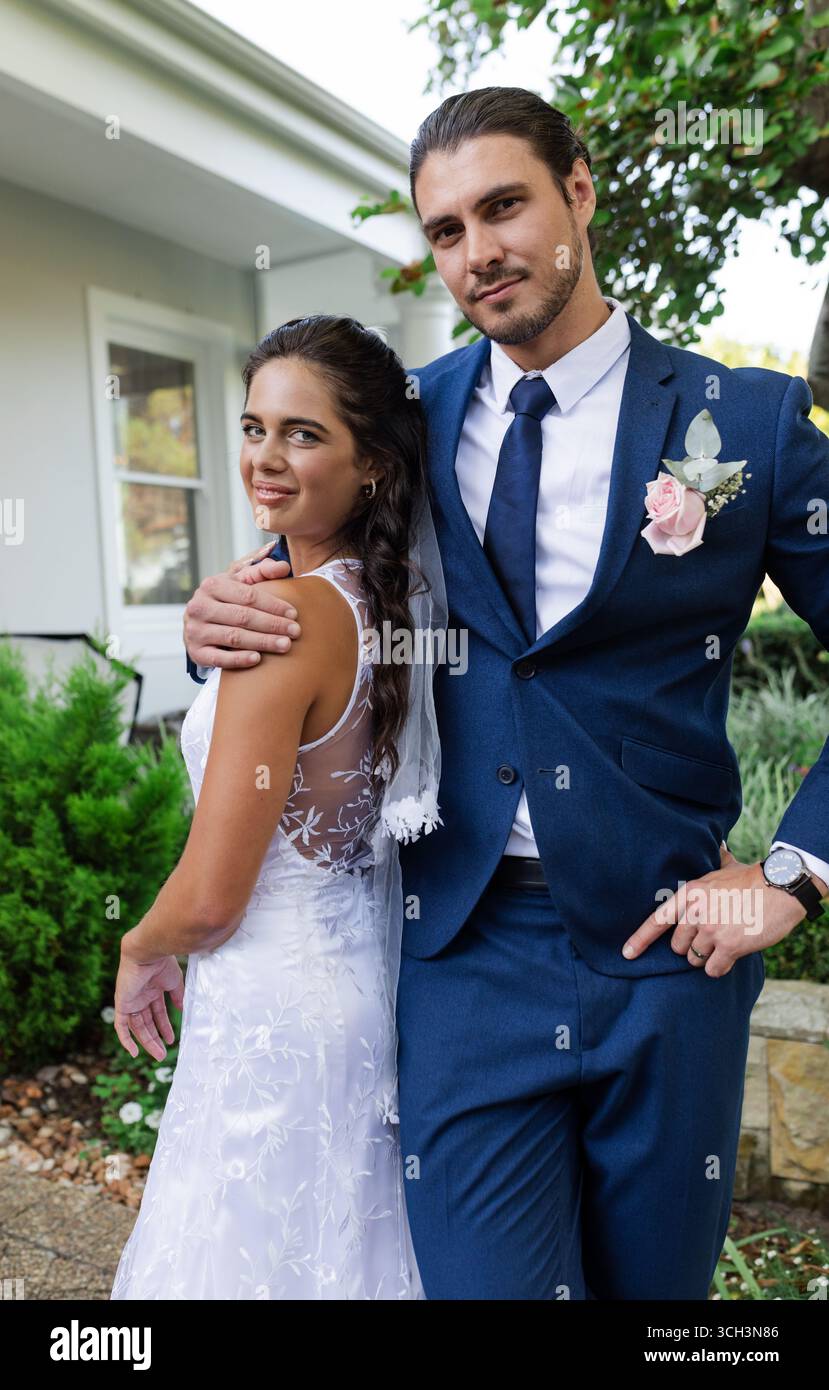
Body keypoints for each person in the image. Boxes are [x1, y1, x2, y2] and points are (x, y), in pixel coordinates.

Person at [182, 88, 829, 1300]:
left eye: (503, 207)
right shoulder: (401, 422)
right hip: (462, 957)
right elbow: (293, 584)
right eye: (443, 230)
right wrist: (209, 620)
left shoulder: (744, 420)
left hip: (666, 953)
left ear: (578, 192)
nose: (476, 253)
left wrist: (793, 871)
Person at [110, 315, 446, 1300]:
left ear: (374, 463)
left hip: (270, 1018)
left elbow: (214, 897)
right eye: (255, 427)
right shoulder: (383, 604)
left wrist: (141, 943)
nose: (265, 457)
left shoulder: (286, 619)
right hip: (351, 996)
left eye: (304, 435)